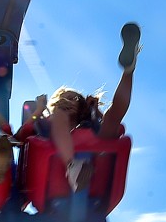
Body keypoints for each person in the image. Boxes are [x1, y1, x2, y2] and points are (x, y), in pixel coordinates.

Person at [16, 22, 141, 191]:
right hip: (54, 174)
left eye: (73, 99)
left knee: (113, 118)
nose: (67, 102)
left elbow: (111, 128)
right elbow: (21, 135)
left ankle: (128, 71)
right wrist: (39, 110)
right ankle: (73, 166)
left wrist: (95, 111)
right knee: (60, 118)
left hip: (96, 167)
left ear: (81, 105)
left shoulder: (88, 123)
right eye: (63, 100)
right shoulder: (49, 122)